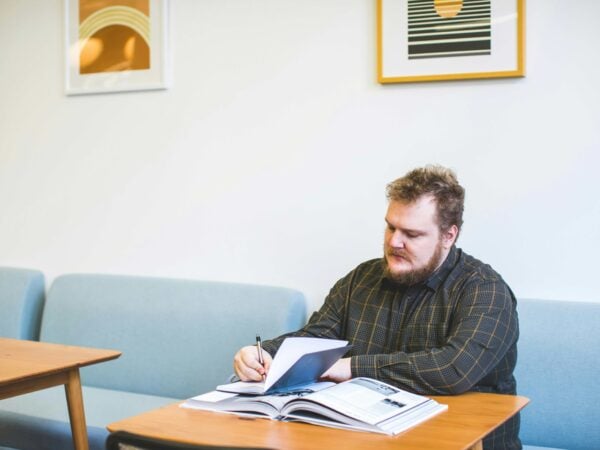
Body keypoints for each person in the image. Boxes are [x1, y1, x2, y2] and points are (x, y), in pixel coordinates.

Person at [233, 165, 520, 449]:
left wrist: (352, 367)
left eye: (412, 234)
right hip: (367, 439)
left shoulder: (485, 290)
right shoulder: (362, 278)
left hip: (460, 442)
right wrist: (265, 353)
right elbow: (318, 337)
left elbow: (453, 368)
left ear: (448, 236)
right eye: (390, 226)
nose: (394, 242)